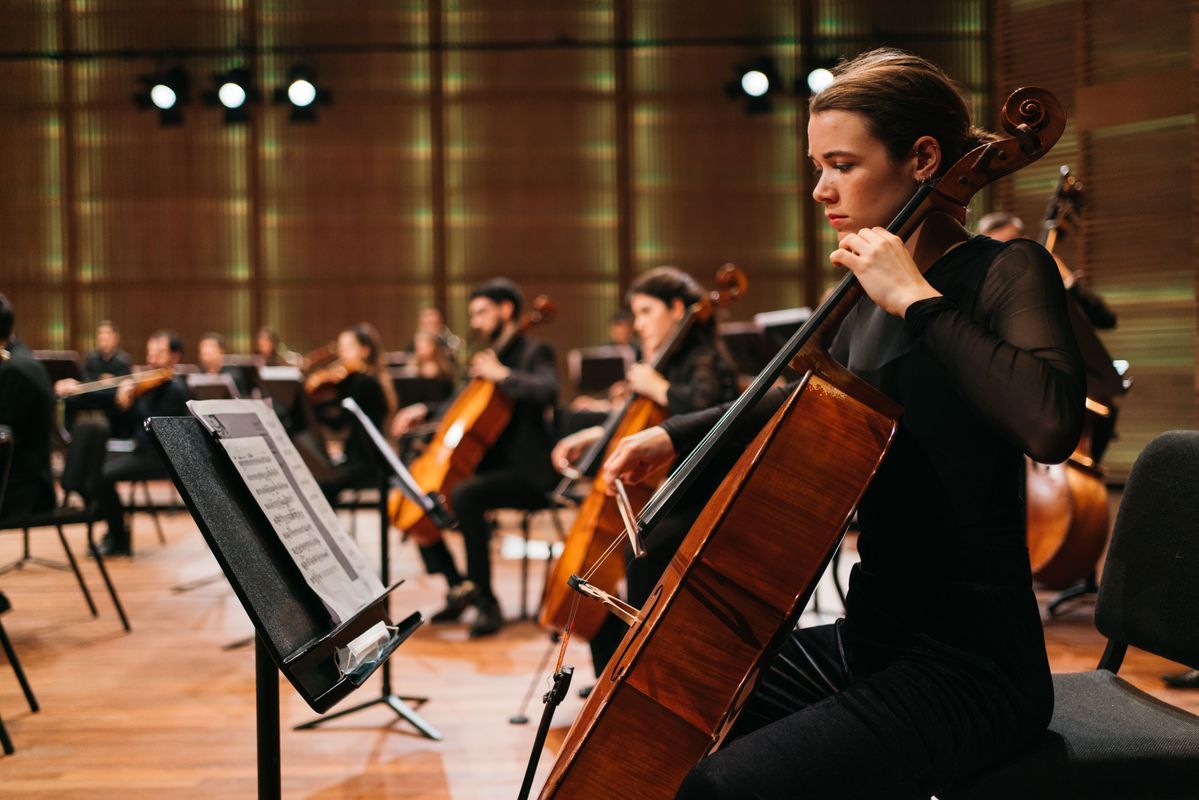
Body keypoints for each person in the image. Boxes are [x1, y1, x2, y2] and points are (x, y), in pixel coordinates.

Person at [601, 49, 1085, 797]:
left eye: (841, 164)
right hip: (870, 640)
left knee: (721, 788)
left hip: (969, 668)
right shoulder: (860, 296)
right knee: (661, 701)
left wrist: (915, 300)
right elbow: (803, 398)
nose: (820, 187)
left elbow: (1051, 424)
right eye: (816, 165)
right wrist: (675, 434)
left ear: (922, 157)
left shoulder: (1003, 270)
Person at [550, 266, 740, 673]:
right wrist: (593, 437)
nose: (637, 325)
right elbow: (642, 424)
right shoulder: (662, 359)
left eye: (645, 311)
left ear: (676, 308)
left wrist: (658, 387)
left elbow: (714, 416)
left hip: (702, 492)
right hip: (661, 489)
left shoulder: (705, 358)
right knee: (597, 576)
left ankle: (645, 667)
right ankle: (615, 669)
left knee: (639, 554)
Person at [392, 279, 559, 638]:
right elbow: (461, 407)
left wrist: (504, 376)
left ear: (506, 310)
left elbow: (548, 390)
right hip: (489, 467)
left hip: (529, 473)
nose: (477, 322)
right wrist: (426, 409)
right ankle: (459, 586)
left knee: (467, 495)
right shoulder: (486, 360)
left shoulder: (533, 352)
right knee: (415, 496)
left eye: (482, 312)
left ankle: (486, 601)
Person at [95, 330, 190, 556]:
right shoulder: (151, 386)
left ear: (175, 357)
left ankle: (118, 537)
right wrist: (123, 404)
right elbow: (130, 426)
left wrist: (133, 402)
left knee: (102, 476)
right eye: (150, 352)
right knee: (97, 466)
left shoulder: (174, 389)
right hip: (141, 452)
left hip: (160, 458)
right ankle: (113, 528)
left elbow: (150, 427)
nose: (151, 359)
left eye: (159, 353)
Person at [311, 323, 397, 504]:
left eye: (349, 347)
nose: (343, 354)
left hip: (366, 463)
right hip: (362, 459)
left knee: (319, 486)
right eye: (341, 348)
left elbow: (340, 423)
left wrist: (314, 410)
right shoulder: (365, 380)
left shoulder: (365, 384)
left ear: (365, 351)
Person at [0, 294, 56, 519]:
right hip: (24, 479)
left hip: (23, 489)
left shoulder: (14, 371)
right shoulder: (22, 356)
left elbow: (4, 436)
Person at [55, 320, 133, 435]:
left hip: (111, 397)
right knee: (70, 399)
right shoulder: (91, 357)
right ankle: (68, 435)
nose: (104, 342)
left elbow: (123, 382)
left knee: (125, 403)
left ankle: (121, 437)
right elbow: (85, 378)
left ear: (115, 339)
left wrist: (106, 383)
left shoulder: (123, 359)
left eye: (107, 338)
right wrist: (101, 380)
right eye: (101, 339)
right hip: (92, 394)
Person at [197, 332, 249, 397]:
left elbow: (241, 399)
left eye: (209, 354)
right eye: (203, 354)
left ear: (221, 352)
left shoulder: (233, 375)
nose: (205, 358)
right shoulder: (198, 375)